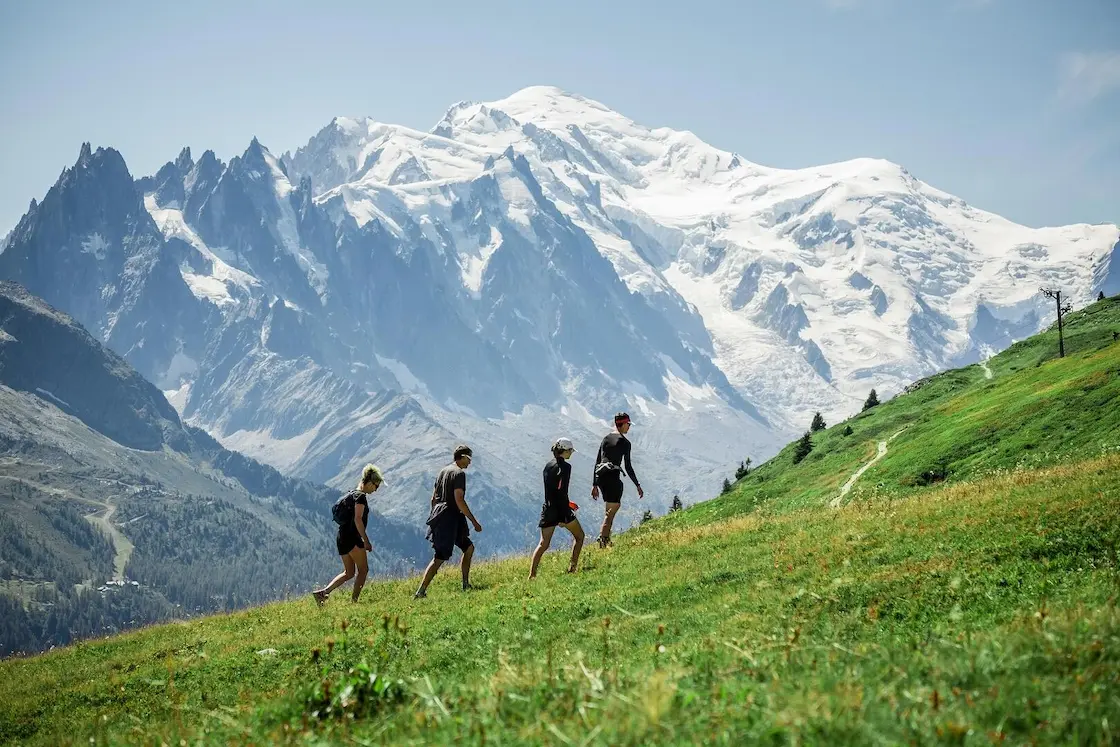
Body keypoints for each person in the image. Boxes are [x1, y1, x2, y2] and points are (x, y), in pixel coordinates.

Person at [414, 445, 483, 598]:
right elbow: (459, 499)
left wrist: (436, 517)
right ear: (462, 456)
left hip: (444, 515)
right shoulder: (459, 474)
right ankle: (421, 591)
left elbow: (433, 498)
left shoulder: (442, 472)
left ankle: (466, 584)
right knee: (440, 557)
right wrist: (474, 521)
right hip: (451, 517)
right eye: (469, 459)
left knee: (468, 547)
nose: (470, 463)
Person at [312, 464, 384, 606]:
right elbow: (358, 519)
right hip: (352, 538)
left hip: (342, 537)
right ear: (369, 483)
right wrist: (366, 540)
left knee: (349, 572)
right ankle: (354, 602)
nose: (376, 490)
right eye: (376, 486)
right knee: (363, 570)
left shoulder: (351, 494)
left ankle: (323, 593)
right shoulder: (361, 497)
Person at [528, 437, 585, 579]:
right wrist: (564, 512)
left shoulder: (548, 466)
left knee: (543, 544)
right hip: (562, 510)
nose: (571, 453)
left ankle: (532, 575)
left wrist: (567, 503)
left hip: (548, 508)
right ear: (565, 451)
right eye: (570, 451)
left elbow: (553, 490)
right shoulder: (566, 468)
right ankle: (572, 568)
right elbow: (562, 490)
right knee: (580, 537)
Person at [591, 412, 643, 548]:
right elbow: (628, 466)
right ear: (623, 424)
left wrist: (594, 484)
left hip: (601, 478)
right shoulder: (625, 443)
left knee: (609, 509)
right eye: (628, 424)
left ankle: (606, 539)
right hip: (613, 478)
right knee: (612, 510)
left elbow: (597, 461)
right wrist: (637, 484)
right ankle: (603, 540)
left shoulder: (606, 439)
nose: (629, 427)